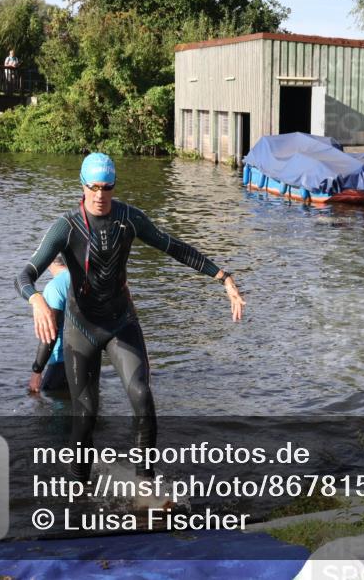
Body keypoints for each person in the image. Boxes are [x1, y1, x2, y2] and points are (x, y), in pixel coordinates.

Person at [15, 153, 245, 482]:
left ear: (114, 186)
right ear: (82, 186)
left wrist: (223, 278)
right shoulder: (66, 227)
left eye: (106, 187)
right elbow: (24, 274)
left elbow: (173, 246)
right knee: (86, 416)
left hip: (121, 323)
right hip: (81, 330)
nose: (100, 195)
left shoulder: (128, 218)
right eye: (93, 187)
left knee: (141, 397)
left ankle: (145, 483)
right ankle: (78, 492)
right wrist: (36, 298)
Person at [28, 255, 70, 394]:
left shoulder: (55, 287)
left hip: (61, 363)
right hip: (90, 361)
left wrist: (37, 370)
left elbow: (50, 332)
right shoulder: (85, 279)